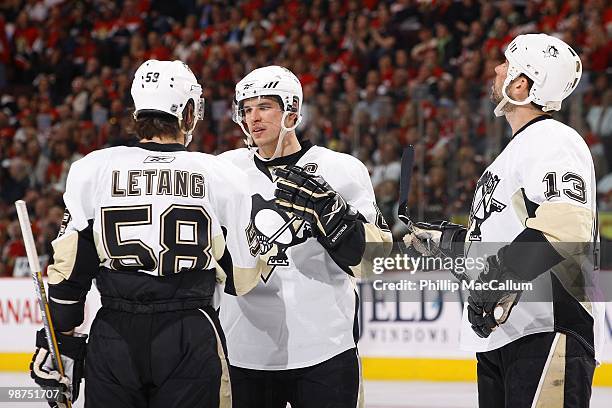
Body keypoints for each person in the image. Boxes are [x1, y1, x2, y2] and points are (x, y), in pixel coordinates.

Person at [29, 59, 266, 408]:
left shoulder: (91, 169)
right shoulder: (220, 174)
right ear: (188, 112)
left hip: (114, 333)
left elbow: (70, 271)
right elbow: (242, 279)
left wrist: (59, 338)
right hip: (189, 331)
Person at [404, 34, 604, 407]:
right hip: (506, 334)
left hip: (545, 328)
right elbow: (513, 236)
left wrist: (498, 278)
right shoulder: (517, 151)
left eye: (505, 65)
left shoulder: (551, 138)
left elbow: (565, 227)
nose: (496, 70)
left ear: (521, 84)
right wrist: (452, 242)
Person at [218, 65, 392, 408]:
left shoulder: (341, 169)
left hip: (325, 346)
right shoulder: (224, 170)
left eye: (264, 106)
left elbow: (374, 262)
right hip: (244, 347)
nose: (254, 118)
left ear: (292, 112)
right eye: (247, 109)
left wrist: (334, 217)